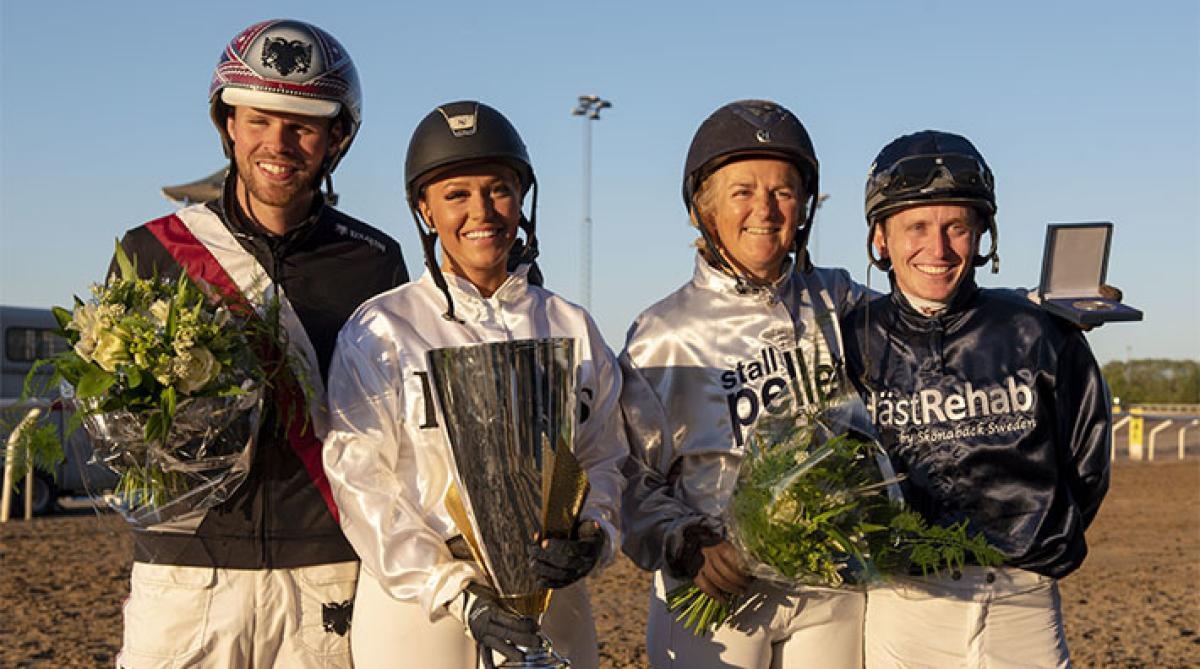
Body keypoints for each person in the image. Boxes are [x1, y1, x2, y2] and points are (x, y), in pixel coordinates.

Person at [111, 19, 408, 668]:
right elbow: (118, 424)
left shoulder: (376, 262)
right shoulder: (151, 250)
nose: (279, 143)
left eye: (302, 125)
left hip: (324, 573)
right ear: (227, 123)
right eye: (259, 120)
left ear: (336, 138)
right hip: (186, 574)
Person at [321, 100, 627, 669]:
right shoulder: (382, 328)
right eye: (456, 195)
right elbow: (362, 484)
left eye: (499, 190)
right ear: (424, 209)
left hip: (550, 597)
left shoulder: (571, 325)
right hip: (423, 611)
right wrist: (449, 589)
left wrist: (595, 534)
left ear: (522, 197)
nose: (482, 211)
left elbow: (604, 456)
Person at [842, 130, 1111, 667]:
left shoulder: (1039, 331)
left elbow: (1087, 462)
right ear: (880, 238)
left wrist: (1032, 544)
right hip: (904, 608)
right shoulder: (851, 341)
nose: (937, 249)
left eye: (956, 227)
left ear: (982, 233)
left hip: (1022, 604)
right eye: (916, 226)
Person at [619, 99, 869, 668]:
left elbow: (934, 325)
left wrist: (1035, 311)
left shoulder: (840, 300)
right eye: (741, 192)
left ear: (804, 205)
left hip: (831, 587)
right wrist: (683, 541)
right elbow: (626, 471)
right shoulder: (662, 334)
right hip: (715, 590)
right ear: (701, 208)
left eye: (782, 191)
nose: (765, 209)